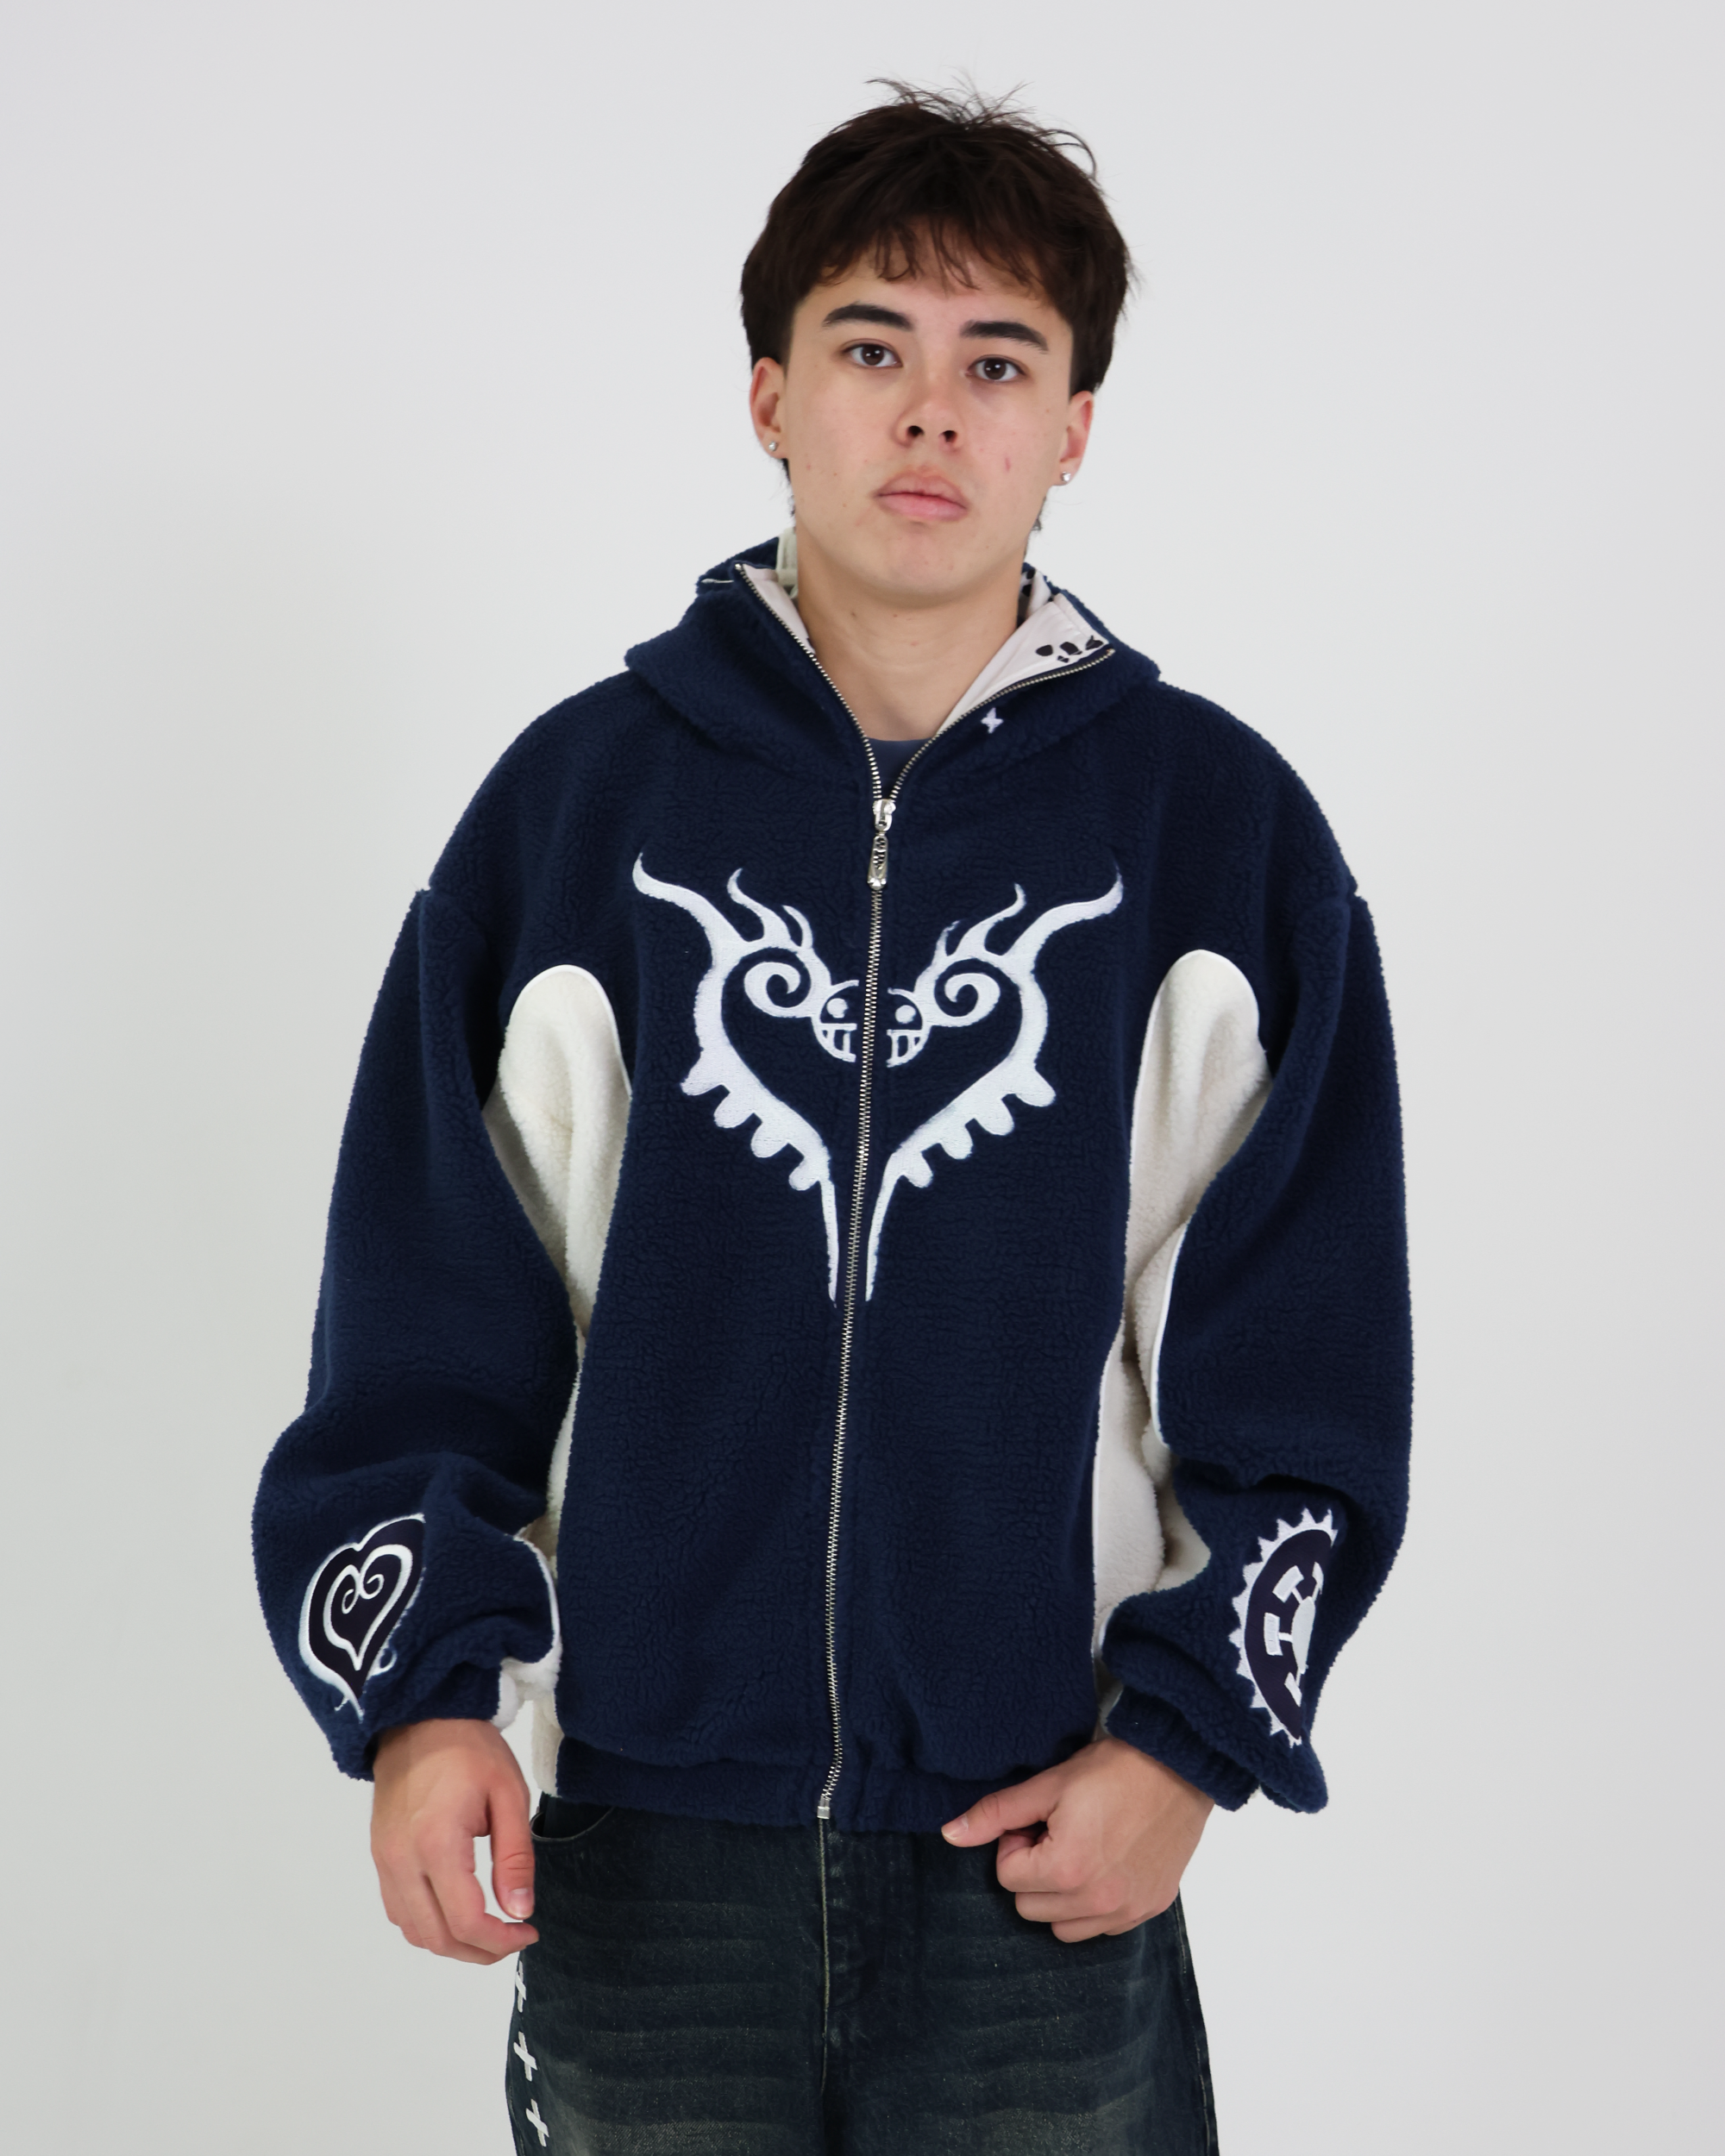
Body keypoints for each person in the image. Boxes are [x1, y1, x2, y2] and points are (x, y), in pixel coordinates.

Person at [254, 81, 1412, 2154]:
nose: (932, 411)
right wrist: (427, 1696)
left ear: (1075, 426)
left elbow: (1303, 1368)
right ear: (772, 397)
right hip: (639, 1851)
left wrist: (1184, 1744)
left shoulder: (1212, 840)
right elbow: (426, 1313)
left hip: (1033, 1839)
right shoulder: (579, 814)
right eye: (873, 347)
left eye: (1000, 361)